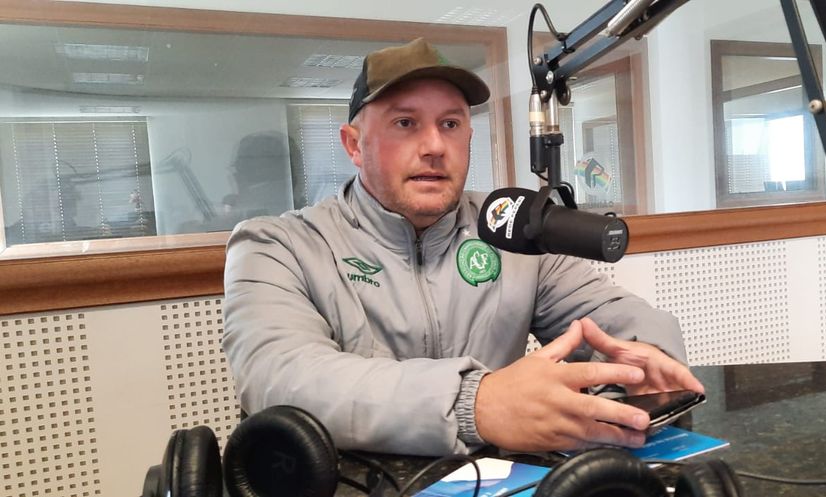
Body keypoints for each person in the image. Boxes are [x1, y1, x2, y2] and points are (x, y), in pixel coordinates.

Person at [222, 38, 703, 457]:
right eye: (405, 123)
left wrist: (642, 359)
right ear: (353, 145)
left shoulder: (513, 227)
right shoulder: (277, 246)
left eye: (450, 124)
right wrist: (475, 402)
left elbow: (620, 317)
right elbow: (280, 377)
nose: (434, 145)